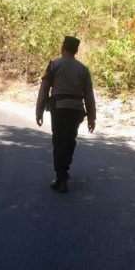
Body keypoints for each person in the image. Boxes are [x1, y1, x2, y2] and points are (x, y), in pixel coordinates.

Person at [35, 36, 96, 193]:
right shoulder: (84, 69)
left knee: (59, 141)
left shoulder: (54, 65)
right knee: (70, 141)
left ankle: (61, 178)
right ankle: (64, 173)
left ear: (63, 48)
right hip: (76, 111)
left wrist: (39, 111)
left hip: (59, 109)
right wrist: (91, 117)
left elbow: (44, 90)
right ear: (75, 51)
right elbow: (89, 95)